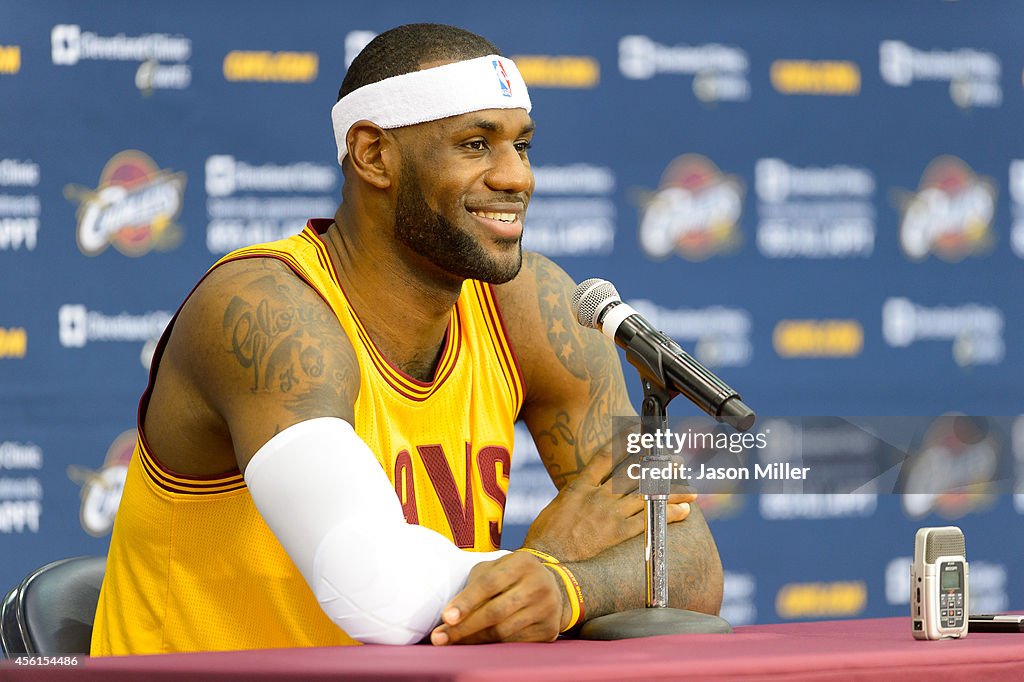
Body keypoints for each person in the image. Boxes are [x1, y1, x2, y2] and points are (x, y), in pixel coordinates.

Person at [91, 23, 723, 655]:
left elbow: (687, 559)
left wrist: (566, 587)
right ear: (373, 156)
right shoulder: (265, 309)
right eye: (476, 145)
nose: (516, 178)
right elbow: (374, 592)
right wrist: (548, 562)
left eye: (522, 146)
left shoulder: (531, 306)